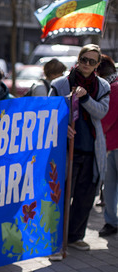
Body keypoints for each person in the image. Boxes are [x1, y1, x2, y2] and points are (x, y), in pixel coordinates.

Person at [49, 44, 110, 251]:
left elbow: (101, 112)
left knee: (85, 196)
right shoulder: (59, 84)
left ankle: (75, 236)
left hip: (91, 150)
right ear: (78, 59)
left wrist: (84, 98)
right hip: (66, 150)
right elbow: (49, 115)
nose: (86, 64)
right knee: (62, 194)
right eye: (84, 59)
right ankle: (56, 237)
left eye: (92, 61)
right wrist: (62, 127)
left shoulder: (102, 87)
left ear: (97, 65)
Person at [96, 54, 118, 237]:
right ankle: (111, 221)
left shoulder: (113, 88)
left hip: (113, 145)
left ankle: (111, 222)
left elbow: (107, 118)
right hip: (111, 145)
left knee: (109, 186)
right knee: (109, 186)